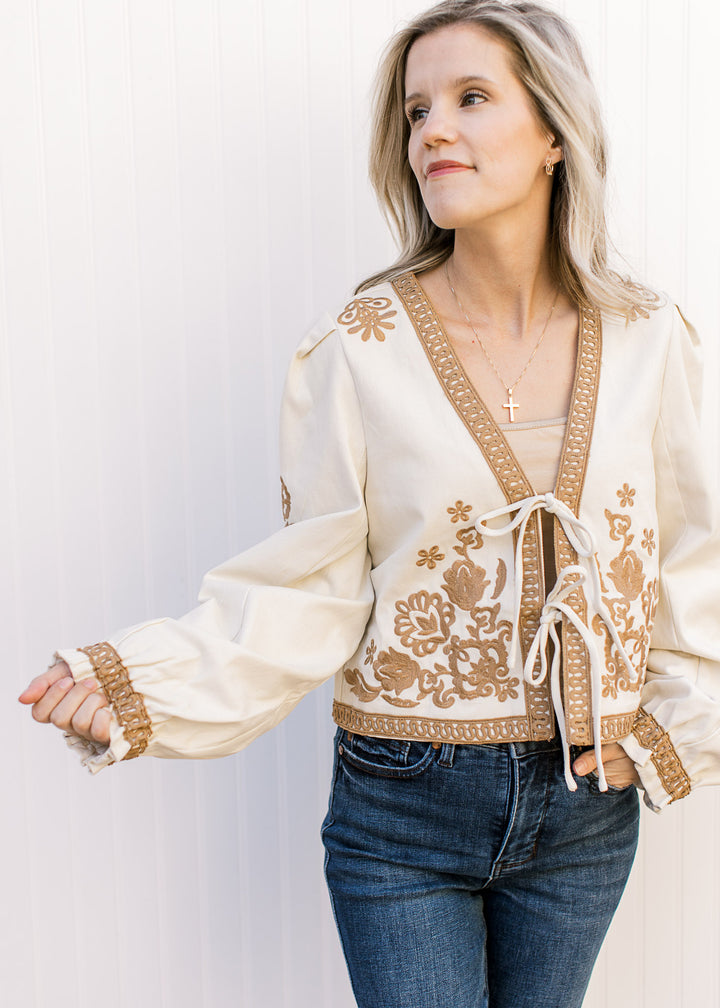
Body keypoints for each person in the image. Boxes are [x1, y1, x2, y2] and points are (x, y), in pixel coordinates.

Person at [18, 1, 720, 1006]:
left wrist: (668, 732)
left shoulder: (652, 339)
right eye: (415, 109)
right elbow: (311, 585)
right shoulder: (359, 345)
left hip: (586, 815)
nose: (432, 127)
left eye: (471, 98)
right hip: (403, 812)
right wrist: (142, 686)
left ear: (556, 132)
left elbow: (698, 556)